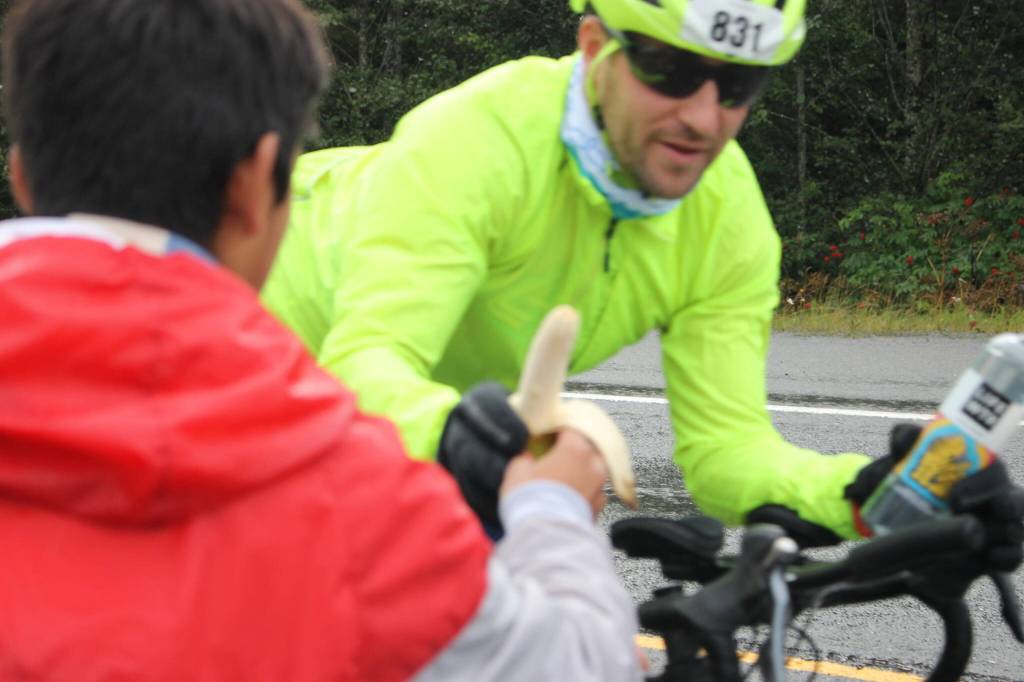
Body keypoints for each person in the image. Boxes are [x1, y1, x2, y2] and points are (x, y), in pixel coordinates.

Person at [0, 0, 642, 679]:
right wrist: (549, 506)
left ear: (24, 175)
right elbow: (576, 662)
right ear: (257, 183)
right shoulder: (358, 491)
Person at [261, 0, 1024, 552]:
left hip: (433, 411)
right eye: (672, 71)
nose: (703, 117)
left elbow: (727, 455)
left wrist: (863, 495)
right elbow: (362, 367)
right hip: (269, 334)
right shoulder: (477, 140)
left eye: (738, 86)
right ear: (594, 45)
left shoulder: (727, 218)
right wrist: (477, 442)